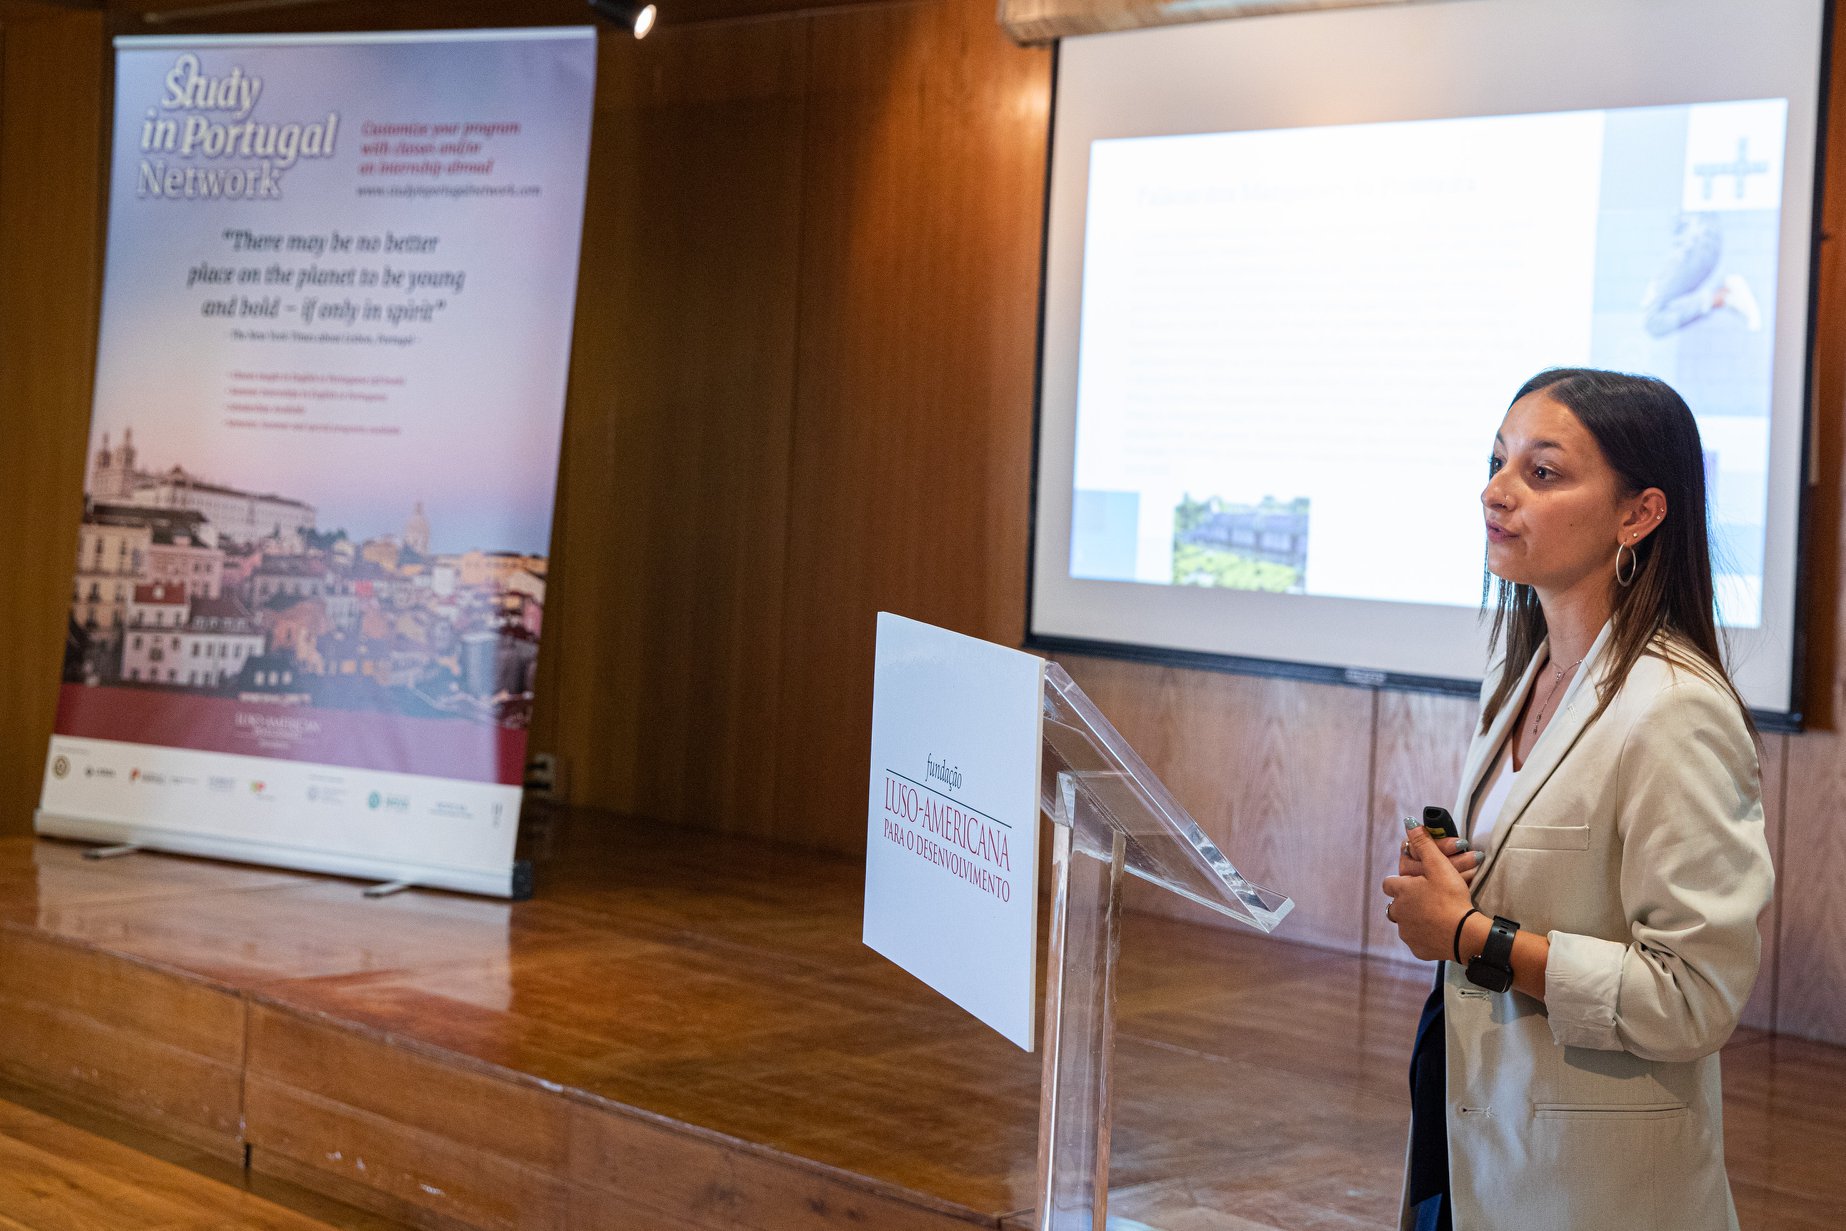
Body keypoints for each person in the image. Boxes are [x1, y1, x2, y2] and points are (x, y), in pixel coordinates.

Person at [1381, 368, 1773, 1231]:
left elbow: (1694, 996)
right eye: (1497, 462)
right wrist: (1458, 875)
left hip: (1595, 1189)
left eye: (1542, 472)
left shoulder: (1676, 709)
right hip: (1479, 1137)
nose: (1496, 491)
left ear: (1640, 514)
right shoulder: (1520, 670)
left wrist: (1472, 934)